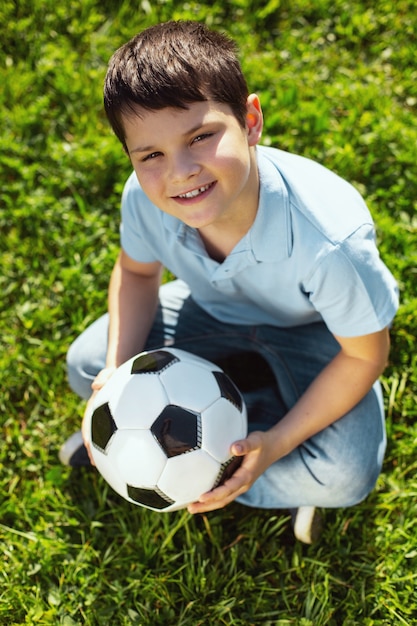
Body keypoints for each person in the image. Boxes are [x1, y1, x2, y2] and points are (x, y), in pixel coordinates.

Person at [60, 20, 399, 544]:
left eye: (201, 137)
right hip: (212, 311)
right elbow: (137, 273)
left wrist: (280, 443)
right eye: (150, 155)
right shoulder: (142, 198)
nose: (180, 172)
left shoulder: (331, 240)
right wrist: (114, 376)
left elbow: (365, 356)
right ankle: (179, 447)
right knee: (84, 365)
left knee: (350, 470)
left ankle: (226, 457)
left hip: (321, 340)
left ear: (251, 119)